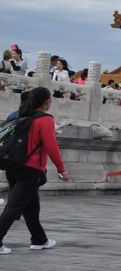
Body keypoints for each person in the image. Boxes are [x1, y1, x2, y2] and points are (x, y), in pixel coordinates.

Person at [0, 87, 69, 254]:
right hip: (31, 169)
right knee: (14, 207)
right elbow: (51, 147)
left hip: (13, 166)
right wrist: (61, 169)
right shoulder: (45, 120)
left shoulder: (19, 116)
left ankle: (39, 239)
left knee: (31, 207)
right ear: (46, 102)